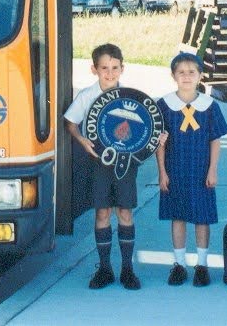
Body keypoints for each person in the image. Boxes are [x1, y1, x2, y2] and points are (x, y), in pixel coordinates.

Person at [64, 43, 167, 291]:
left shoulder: (132, 98)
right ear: (94, 69)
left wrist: (157, 139)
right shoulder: (88, 95)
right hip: (98, 163)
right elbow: (70, 122)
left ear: (122, 68)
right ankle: (104, 269)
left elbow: (148, 128)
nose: (109, 73)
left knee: (125, 213)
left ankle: (127, 269)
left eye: (114, 68)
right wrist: (82, 141)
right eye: (104, 68)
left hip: (125, 163)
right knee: (102, 213)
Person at [156, 53, 227, 288]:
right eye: (181, 72)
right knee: (178, 216)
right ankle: (179, 265)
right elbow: (159, 142)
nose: (186, 76)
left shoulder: (209, 106)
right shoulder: (164, 105)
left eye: (191, 72)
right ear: (173, 76)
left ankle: (202, 265)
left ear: (200, 75)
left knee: (202, 217)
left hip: (200, 169)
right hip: (175, 168)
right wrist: (162, 172)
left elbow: (215, 139)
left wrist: (213, 170)